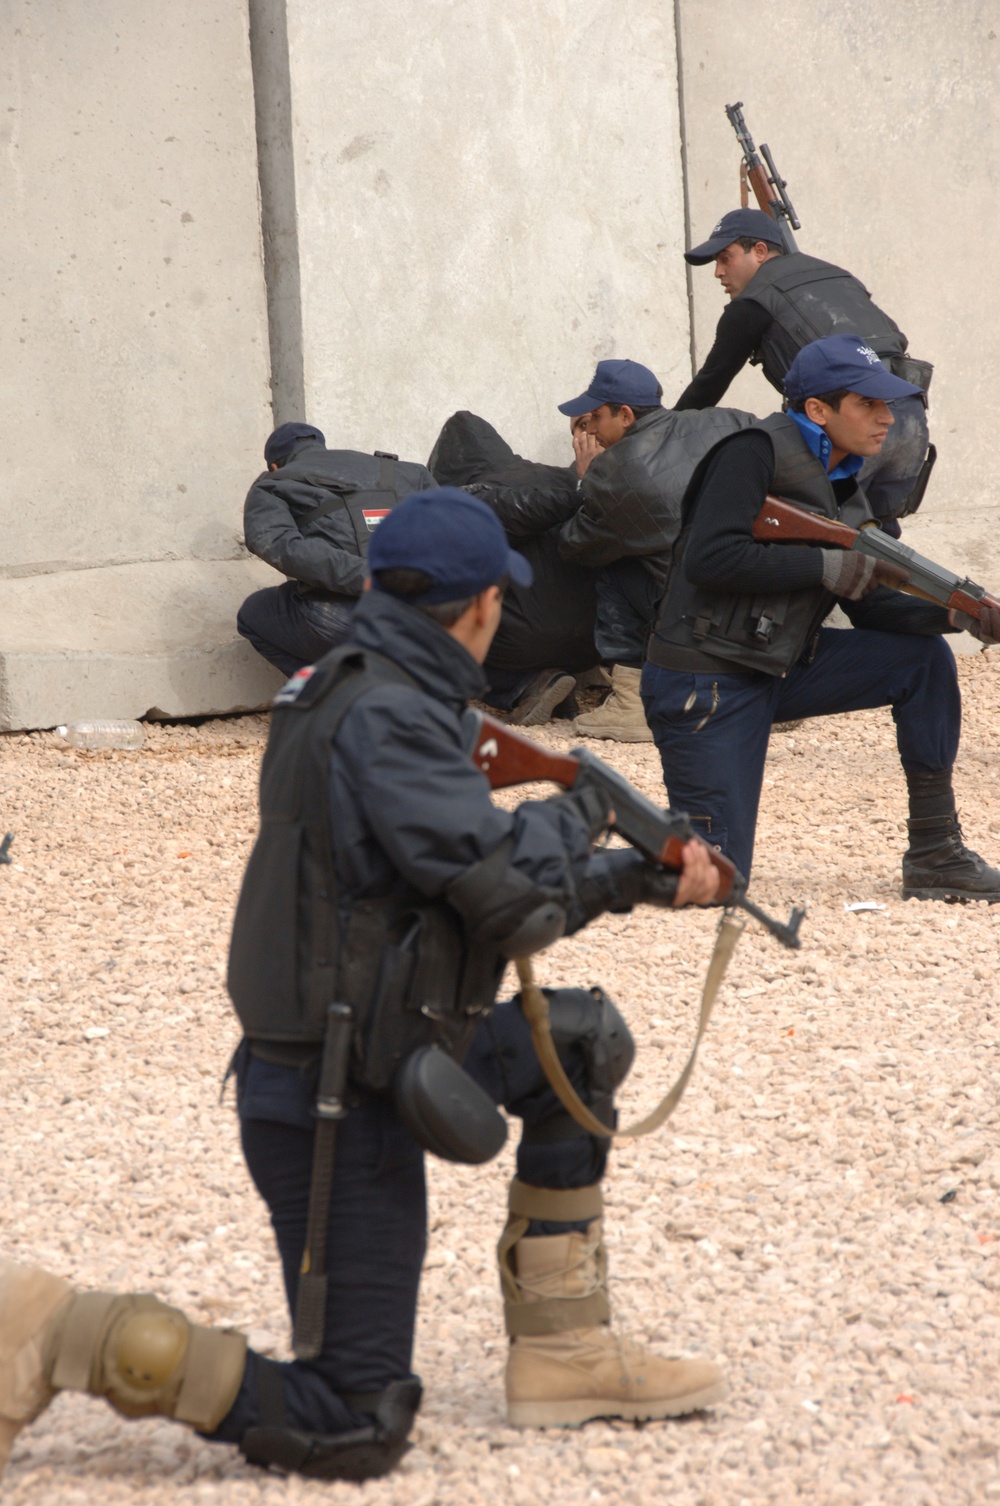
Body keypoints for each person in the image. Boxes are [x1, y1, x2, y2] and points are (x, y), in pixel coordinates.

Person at [1, 488, 728, 1486]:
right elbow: (513, 904)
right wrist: (585, 812)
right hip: (335, 1092)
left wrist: (632, 878)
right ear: (480, 608)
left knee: (579, 1043)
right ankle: (53, 1328)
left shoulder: (354, 682)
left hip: (391, 1029)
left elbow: (447, 885)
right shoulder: (390, 714)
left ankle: (564, 1354)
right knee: (355, 1421)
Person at [643, 334, 1000, 897]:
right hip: (706, 681)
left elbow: (872, 603)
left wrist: (959, 620)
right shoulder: (753, 452)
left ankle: (937, 853)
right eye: (868, 404)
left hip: (780, 666)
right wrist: (823, 569)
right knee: (713, 883)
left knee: (924, 663)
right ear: (817, 409)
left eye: (886, 404)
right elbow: (711, 558)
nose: (887, 418)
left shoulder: (846, 481)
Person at [674, 208, 935, 536]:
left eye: (725, 258)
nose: (718, 272)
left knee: (811, 542)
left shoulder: (752, 304)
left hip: (848, 423)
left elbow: (708, 386)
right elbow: (894, 337)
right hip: (909, 418)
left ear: (759, 251)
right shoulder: (837, 275)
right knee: (879, 542)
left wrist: (657, 435)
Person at [556, 359, 756, 741]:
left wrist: (584, 482)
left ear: (626, 415)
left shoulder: (614, 470)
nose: (592, 428)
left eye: (595, 417)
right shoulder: (723, 420)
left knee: (612, 565)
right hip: (763, 601)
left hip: (702, 616)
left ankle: (631, 704)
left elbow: (574, 545)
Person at [428, 409, 603, 725]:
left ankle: (522, 687)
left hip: (524, 642)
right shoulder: (573, 476)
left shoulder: (472, 495)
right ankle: (558, 686)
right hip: (594, 643)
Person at [237, 421, 434, 674]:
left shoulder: (272, 484)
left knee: (253, 613)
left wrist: (370, 577)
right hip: (432, 617)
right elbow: (454, 529)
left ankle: (337, 695)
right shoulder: (409, 472)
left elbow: (276, 543)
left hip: (351, 619)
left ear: (275, 465)